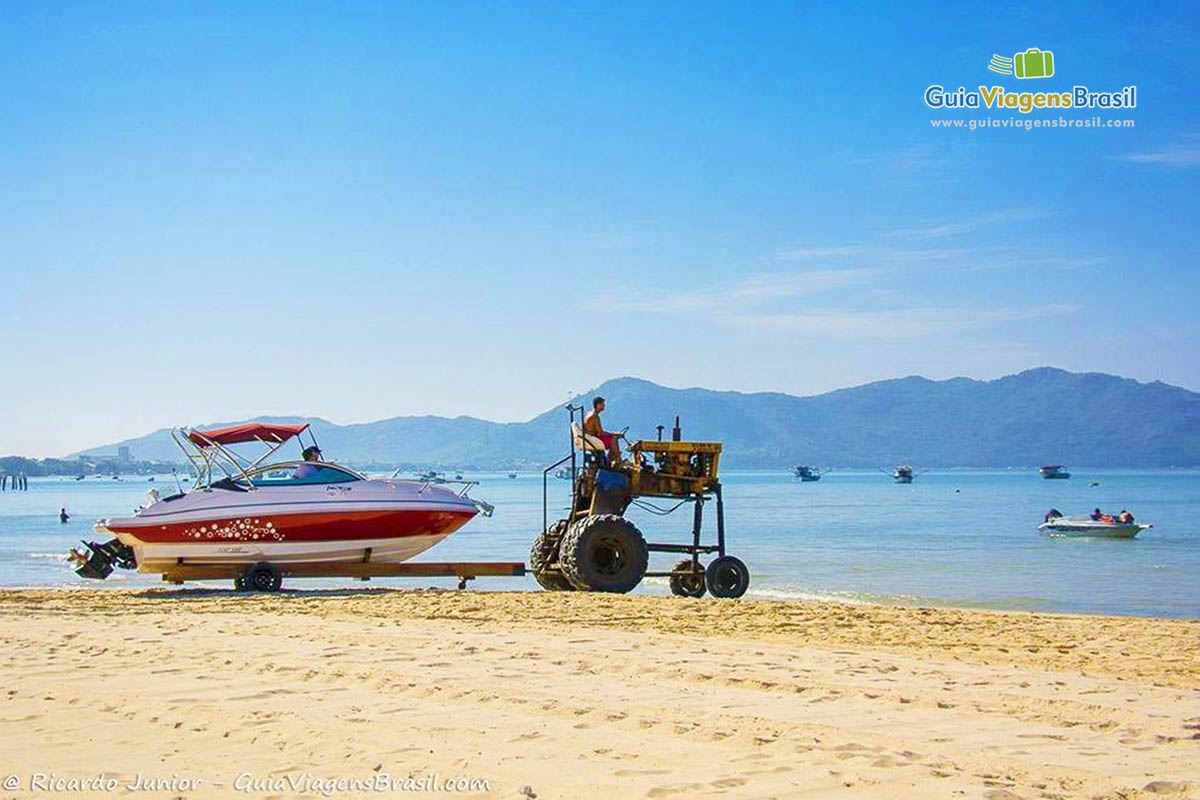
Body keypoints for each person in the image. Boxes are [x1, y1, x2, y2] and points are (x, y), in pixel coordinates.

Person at [583, 396, 622, 465]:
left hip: (590, 437)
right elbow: (600, 432)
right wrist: (615, 434)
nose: (604, 406)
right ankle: (619, 461)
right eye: (603, 404)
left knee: (613, 438)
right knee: (614, 440)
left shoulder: (589, 413)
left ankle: (609, 460)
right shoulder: (595, 416)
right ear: (598, 405)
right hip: (593, 439)